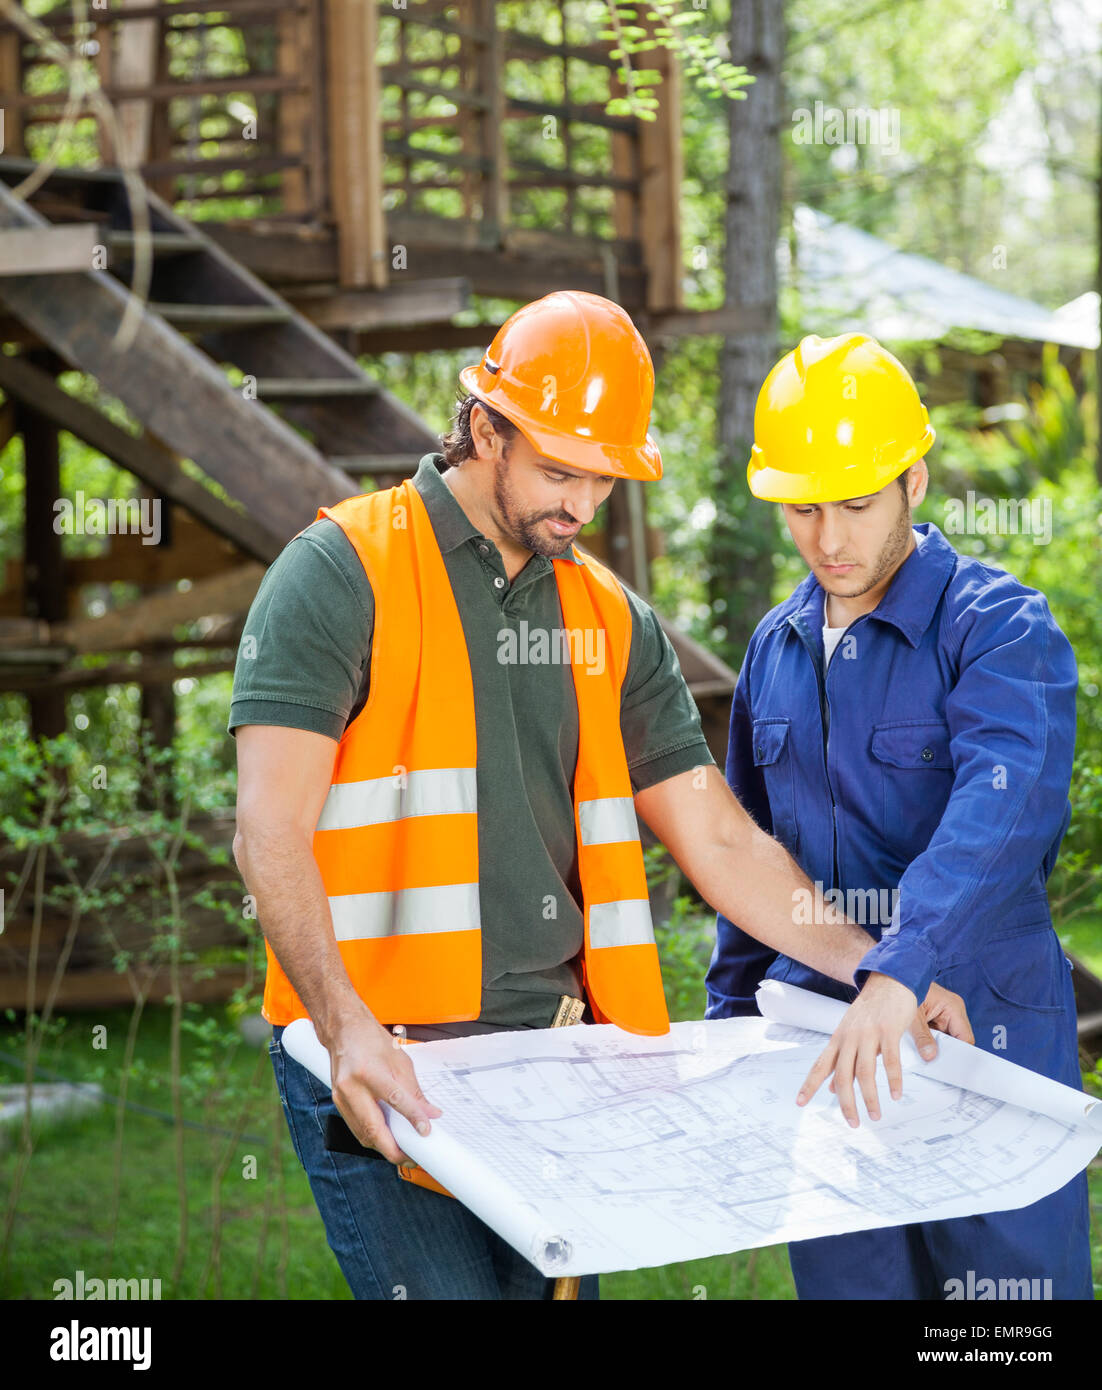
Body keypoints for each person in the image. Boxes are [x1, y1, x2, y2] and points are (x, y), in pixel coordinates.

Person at [230, 295, 967, 1300]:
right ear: (483, 428)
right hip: (375, 1057)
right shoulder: (339, 572)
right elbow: (267, 832)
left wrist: (876, 962)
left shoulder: (609, 618)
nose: (579, 504)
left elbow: (716, 835)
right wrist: (347, 1028)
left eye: (600, 478)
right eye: (559, 469)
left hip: (554, 1061)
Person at [705, 331, 1092, 1300]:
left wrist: (899, 966)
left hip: (984, 1029)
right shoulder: (777, 645)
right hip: (821, 1038)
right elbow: (750, 845)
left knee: (1003, 1318)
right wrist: (726, 1031)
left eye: (855, 502)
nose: (827, 538)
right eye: (802, 507)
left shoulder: (999, 629)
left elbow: (995, 821)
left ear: (913, 482)